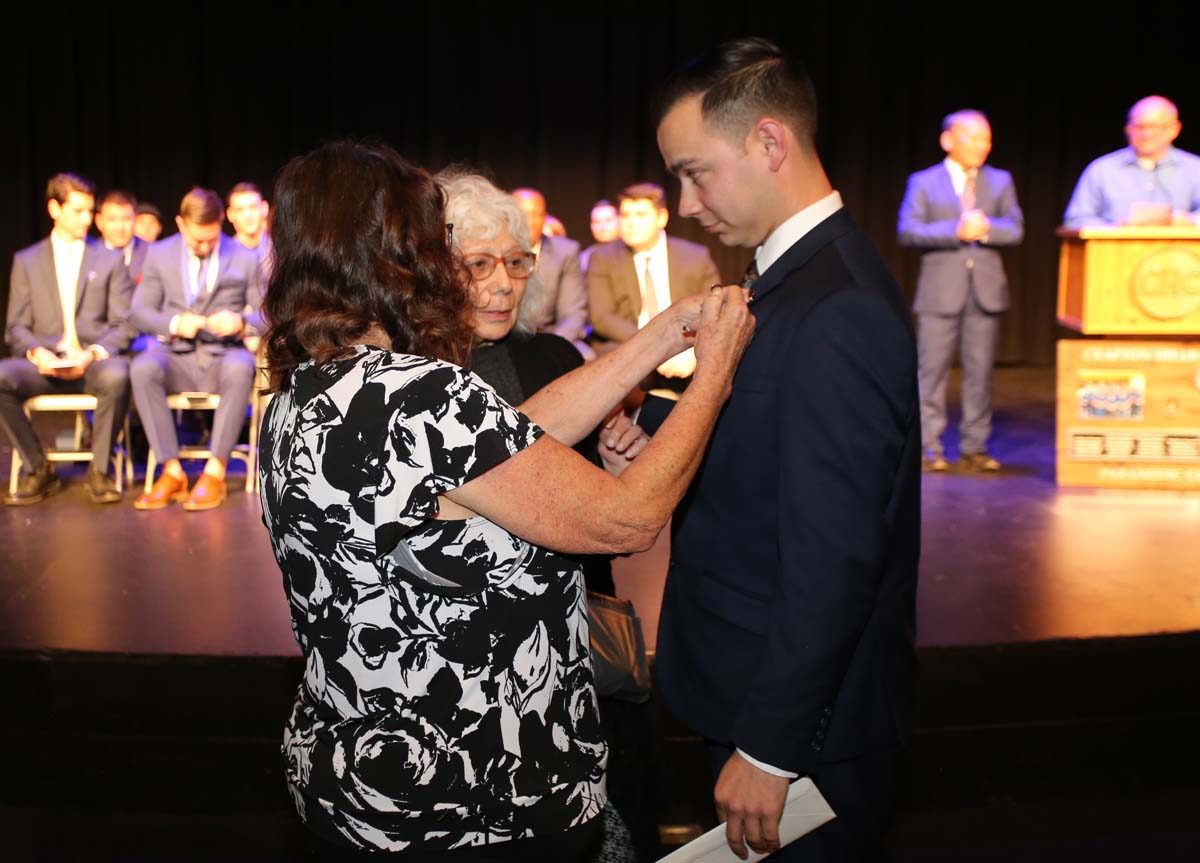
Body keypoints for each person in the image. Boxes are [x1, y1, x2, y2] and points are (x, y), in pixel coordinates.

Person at [256, 139, 754, 860]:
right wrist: (714, 373)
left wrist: (662, 334)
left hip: (356, 785)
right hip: (480, 801)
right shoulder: (425, 393)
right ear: (394, 251)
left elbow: (517, 440)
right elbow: (630, 516)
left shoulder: (303, 391)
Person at [652, 37, 921, 860]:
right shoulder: (791, 278)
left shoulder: (834, 306)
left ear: (769, 143)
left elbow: (835, 553)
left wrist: (770, 746)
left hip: (798, 739)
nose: (688, 203)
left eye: (697, 172)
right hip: (759, 701)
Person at [441, 169, 650, 861]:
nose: (504, 282)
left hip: (576, 653)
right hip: (470, 668)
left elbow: (599, 502)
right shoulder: (416, 374)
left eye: (517, 261)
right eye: (479, 264)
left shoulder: (558, 356)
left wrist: (620, 461)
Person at [897, 110, 1024, 472]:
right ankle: (927, 448)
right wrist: (956, 230)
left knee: (980, 373)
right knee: (931, 372)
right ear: (948, 140)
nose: (982, 146)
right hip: (940, 290)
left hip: (985, 291)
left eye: (986, 139)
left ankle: (975, 447)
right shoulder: (924, 181)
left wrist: (985, 230)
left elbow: (1015, 229)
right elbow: (909, 230)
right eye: (974, 138)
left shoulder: (1000, 181)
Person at [1, 172, 134, 505]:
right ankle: (38, 468)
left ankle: (99, 472)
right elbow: (15, 327)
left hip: (90, 365)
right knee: (2, 376)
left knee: (118, 374)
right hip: (45, 365)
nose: (88, 219)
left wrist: (92, 353)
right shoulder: (27, 261)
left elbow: (123, 325)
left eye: (90, 211)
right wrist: (37, 353)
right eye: (78, 211)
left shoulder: (109, 259)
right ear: (54, 209)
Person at [129, 187, 262, 512]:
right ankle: (172, 471)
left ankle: (214, 472)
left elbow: (268, 314)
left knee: (240, 365)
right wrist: (173, 323)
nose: (204, 246)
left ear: (220, 223)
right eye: (197, 240)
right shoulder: (160, 254)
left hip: (222, 356)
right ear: (181, 223)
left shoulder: (244, 256)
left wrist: (241, 322)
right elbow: (139, 312)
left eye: (210, 239)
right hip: (177, 355)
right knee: (143, 367)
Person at [586, 183, 719, 395]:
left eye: (640, 215)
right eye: (626, 215)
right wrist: (659, 344)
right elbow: (601, 318)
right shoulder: (604, 257)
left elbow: (714, 310)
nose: (631, 223)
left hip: (685, 347)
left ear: (661, 218)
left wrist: (693, 347)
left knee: (716, 361)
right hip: (631, 346)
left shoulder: (695, 257)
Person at [1063, 95, 1200, 227]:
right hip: (1113, 250)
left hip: (1178, 250)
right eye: (1139, 127)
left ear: (1174, 129)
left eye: (1155, 127)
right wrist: (1115, 229)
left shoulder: (1195, 169)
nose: (1147, 134)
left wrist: (1189, 222)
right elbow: (1075, 220)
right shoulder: (1102, 170)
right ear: (1128, 129)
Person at [511, 187, 590, 353]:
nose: (529, 222)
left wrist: (549, 349)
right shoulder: (494, 252)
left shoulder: (565, 252)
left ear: (544, 217)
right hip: (505, 338)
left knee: (587, 358)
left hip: (550, 337)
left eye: (536, 214)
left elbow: (573, 314)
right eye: (522, 214)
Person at [94, 189, 151, 283]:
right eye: (112, 219)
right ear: (99, 221)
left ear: (135, 219)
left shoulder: (152, 253)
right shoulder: (90, 254)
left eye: (126, 219)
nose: (120, 227)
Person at [226, 181, 274, 277]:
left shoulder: (280, 250)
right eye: (240, 210)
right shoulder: (225, 257)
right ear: (230, 214)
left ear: (264, 208)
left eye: (253, 207)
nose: (248, 215)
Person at [580, 199, 620, 272]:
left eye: (608, 220)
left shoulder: (635, 253)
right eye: (596, 222)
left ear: (620, 221)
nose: (602, 226)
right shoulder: (585, 259)